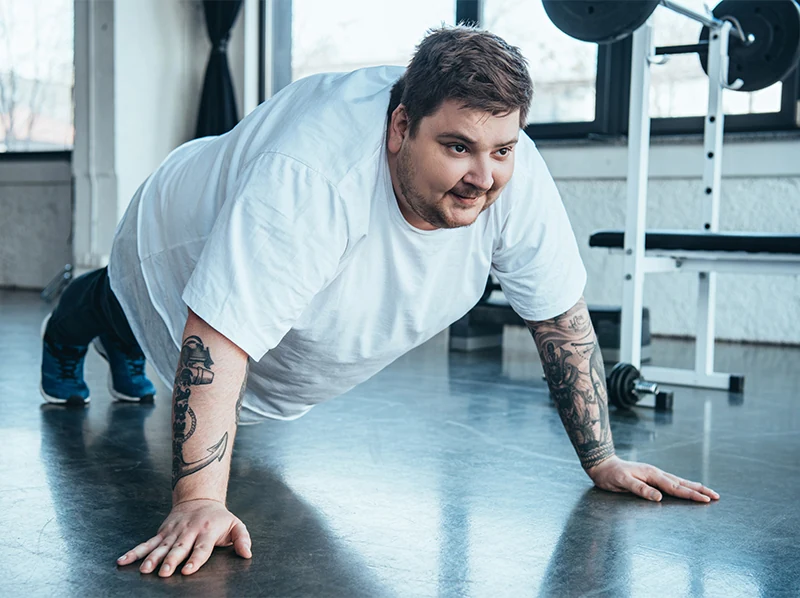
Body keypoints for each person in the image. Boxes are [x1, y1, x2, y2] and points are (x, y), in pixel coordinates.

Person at [40, 26, 719, 578]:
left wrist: (602, 458)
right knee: (120, 311)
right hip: (170, 251)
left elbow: (562, 326)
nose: (484, 177)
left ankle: (122, 346)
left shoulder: (515, 178)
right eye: (457, 147)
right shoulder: (313, 177)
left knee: (151, 368)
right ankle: (78, 326)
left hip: (274, 342)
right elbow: (216, 340)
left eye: (502, 149)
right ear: (400, 128)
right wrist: (198, 500)